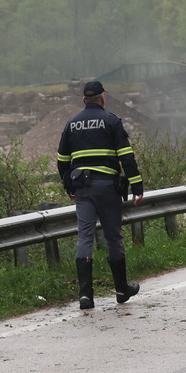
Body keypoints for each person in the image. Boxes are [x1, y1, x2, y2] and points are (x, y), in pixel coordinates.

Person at [56, 80, 145, 310]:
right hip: (107, 187)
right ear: (103, 98)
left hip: (82, 188)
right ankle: (121, 290)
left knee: (84, 238)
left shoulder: (72, 124)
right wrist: (137, 186)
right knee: (113, 237)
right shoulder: (111, 121)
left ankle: (85, 296)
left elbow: (62, 160)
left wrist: (69, 187)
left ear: (84, 100)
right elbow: (126, 157)